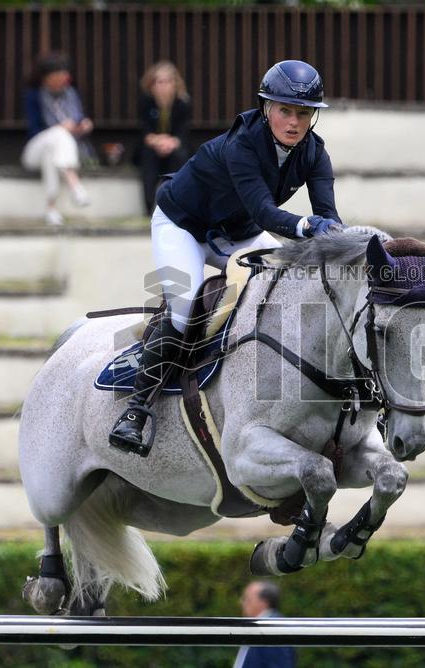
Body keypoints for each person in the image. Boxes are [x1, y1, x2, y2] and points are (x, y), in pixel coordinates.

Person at [109, 59, 343, 455]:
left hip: (237, 234)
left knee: (285, 288)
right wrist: (308, 228)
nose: (294, 122)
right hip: (183, 226)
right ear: (266, 108)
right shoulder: (242, 144)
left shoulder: (315, 153)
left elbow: (329, 217)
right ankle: (136, 409)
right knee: (185, 310)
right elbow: (265, 212)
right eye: (284, 110)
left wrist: (342, 242)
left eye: (304, 114)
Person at [21, 53, 93, 227]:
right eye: (58, 74)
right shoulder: (34, 96)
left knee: (52, 154)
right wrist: (62, 128)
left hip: (56, 152)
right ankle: (74, 184)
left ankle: (51, 209)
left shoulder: (71, 94)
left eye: (64, 74)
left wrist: (82, 126)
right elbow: (35, 129)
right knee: (58, 135)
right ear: (46, 77)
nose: (63, 78)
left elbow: (77, 119)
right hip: (34, 150)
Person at [135, 61, 192, 215]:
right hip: (152, 146)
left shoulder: (183, 103)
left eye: (167, 81)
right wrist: (159, 141)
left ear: (175, 84)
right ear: (152, 85)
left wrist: (170, 143)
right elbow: (145, 131)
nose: (163, 86)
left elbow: (182, 132)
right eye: (159, 82)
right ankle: (149, 208)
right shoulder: (146, 102)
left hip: (173, 146)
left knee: (180, 156)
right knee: (148, 158)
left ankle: (176, 204)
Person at [234, 581, 296, 668]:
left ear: (264, 602)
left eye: (247, 599)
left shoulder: (272, 628)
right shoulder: (261, 625)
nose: (242, 603)